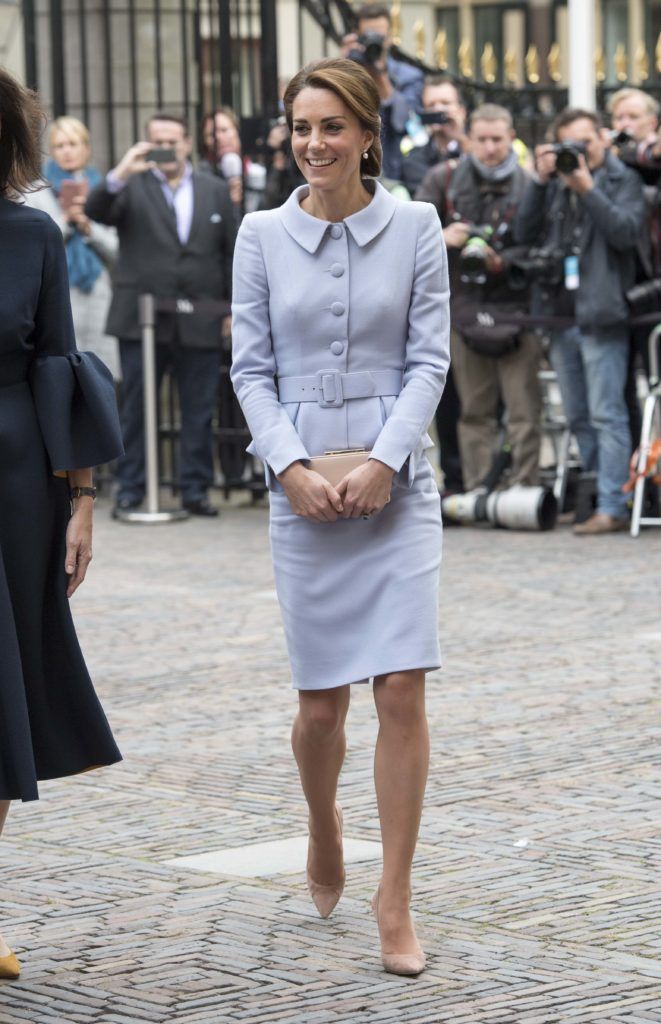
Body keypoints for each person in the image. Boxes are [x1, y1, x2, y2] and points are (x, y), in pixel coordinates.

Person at [231, 57, 449, 976]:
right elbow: (250, 369)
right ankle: (323, 825)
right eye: (299, 127)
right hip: (303, 491)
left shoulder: (417, 226)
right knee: (320, 710)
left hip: (397, 492)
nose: (312, 144)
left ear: (366, 133)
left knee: (400, 688)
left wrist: (385, 461)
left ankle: (392, 892)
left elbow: (429, 361)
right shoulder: (257, 234)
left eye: (330, 127)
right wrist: (286, 466)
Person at [0, 68, 124, 979]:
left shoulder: (33, 234)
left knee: (4, 697)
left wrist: (82, 499)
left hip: (15, 493)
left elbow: (57, 366)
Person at [85, 112, 236, 517]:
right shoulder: (130, 186)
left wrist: (230, 308)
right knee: (136, 408)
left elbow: (231, 253)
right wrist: (122, 170)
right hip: (142, 319)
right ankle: (132, 487)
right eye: (157, 141)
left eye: (173, 140)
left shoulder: (215, 190)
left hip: (200, 315)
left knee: (200, 408)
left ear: (187, 143)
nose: (167, 149)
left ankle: (195, 489)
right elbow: (95, 210)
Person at [515, 107, 646, 534]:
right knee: (578, 415)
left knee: (608, 413)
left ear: (603, 140)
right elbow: (524, 232)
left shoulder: (621, 180)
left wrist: (588, 188)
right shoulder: (553, 184)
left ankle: (614, 503)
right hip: (559, 313)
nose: (578, 153)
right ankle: (591, 499)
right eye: (568, 145)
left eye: (585, 143)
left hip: (602, 312)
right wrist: (539, 179)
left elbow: (628, 232)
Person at [420, 104, 539, 496]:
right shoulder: (443, 179)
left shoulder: (528, 184)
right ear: (469, 139)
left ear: (511, 139)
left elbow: (540, 249)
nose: (490, 148)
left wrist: (501, 262)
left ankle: (522, 488)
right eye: (482, 139)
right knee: (474, 410)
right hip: (463, 310)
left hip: (516, 310)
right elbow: (407, 240)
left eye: (498, 140)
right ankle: (477, 492)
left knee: (523, 411)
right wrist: (442, 237)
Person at [23, 116, 120, 380]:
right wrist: (65, 222)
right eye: (60, 145)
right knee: (62, 369)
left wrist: (89, 228)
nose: (67, 151)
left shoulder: (103, 191)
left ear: (86, 148)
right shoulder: (35, 193)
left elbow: (117, 249)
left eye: (73, 144)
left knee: (100, 374)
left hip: (97, 290)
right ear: (52, 151)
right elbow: (33, 246)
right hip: (58, 290)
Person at [341, 3, 423, 181]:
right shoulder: (344, 72)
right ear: (357, 36)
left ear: (390, 36)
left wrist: (379, 76)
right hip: (348, 172)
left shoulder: (409, 76)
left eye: (379, 36)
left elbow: (407, 123)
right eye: (368, 36)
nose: (374, 41)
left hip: (394, 172)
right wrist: (342, 65)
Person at [400, 76, 468, 196]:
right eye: (431, 105)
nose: (438, 109)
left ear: (461, 112)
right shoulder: (413, 161)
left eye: (445, 103)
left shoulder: (476, 151)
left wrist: (460, 138)